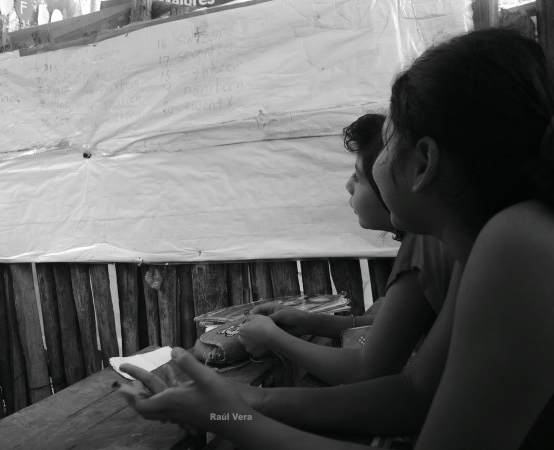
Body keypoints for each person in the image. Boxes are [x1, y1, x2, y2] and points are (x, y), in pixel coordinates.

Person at [118, 28, 554, 449]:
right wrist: (243, 400)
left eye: (386, 142)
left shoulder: (518, 244)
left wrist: (223, 416)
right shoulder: (476, 249)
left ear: (423, 164)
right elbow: (414, 396)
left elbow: (388, 383)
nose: (368, 170)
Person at [237, 113, 455, 386]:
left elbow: (367, 370)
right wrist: (308, 323)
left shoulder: (423, 247)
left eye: (359, 176)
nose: (348, 185)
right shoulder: (431, 238)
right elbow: (391, 329)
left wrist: (273, 338)